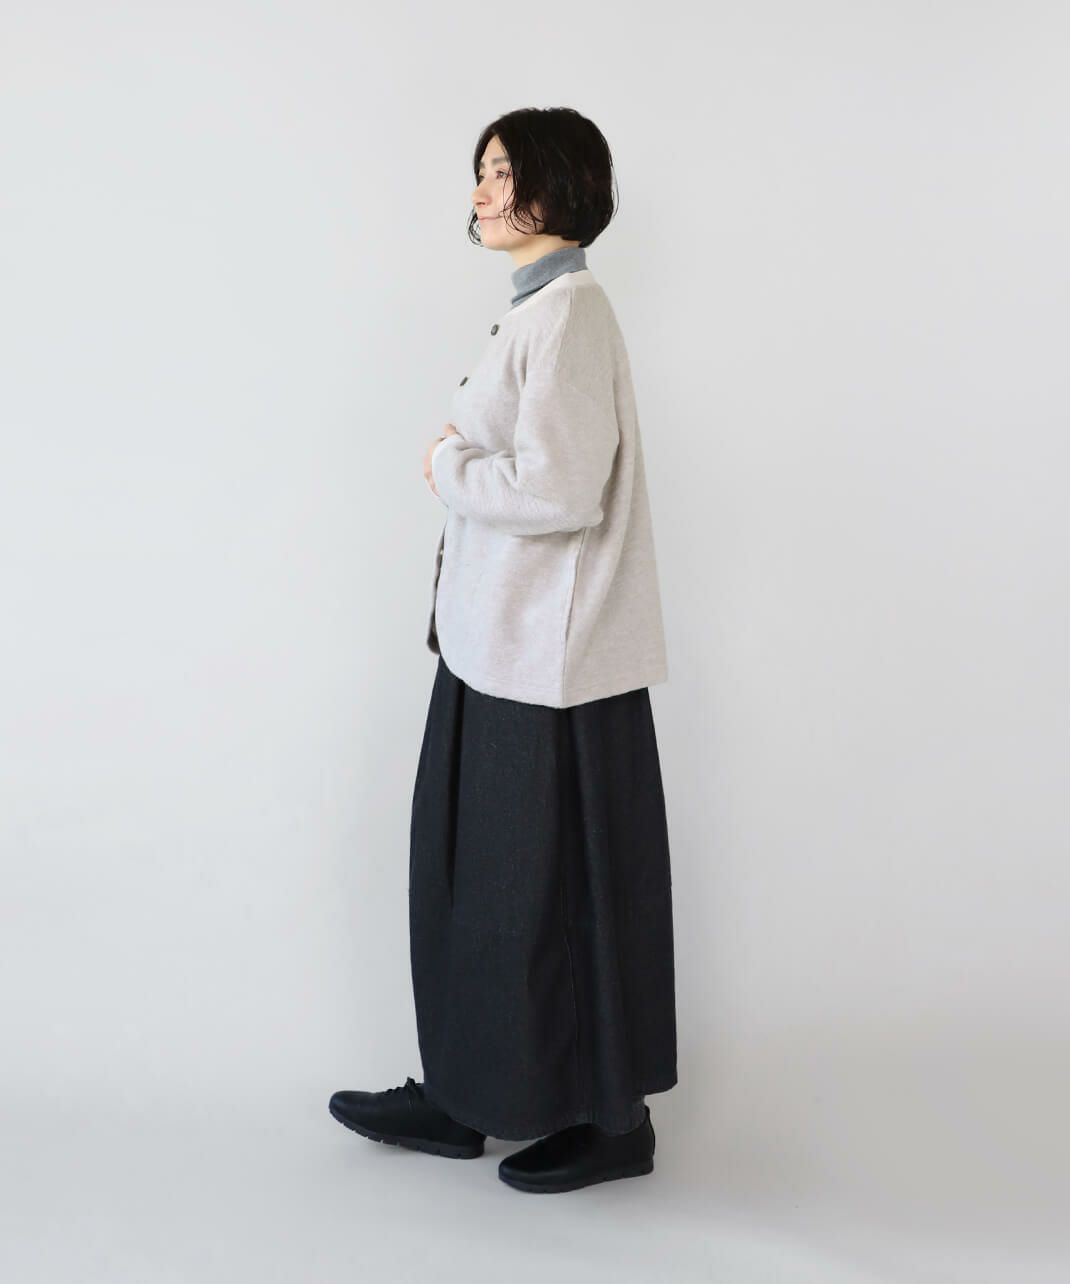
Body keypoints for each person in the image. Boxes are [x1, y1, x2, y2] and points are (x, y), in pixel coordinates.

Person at [329, 107, 678, 1194]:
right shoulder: (537, 309)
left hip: (547, 667)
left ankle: (610, 1122)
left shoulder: (568, 314)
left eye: (502, 173)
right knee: (478, 887)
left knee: (546, 894)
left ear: (558, 187)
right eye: (479, 172)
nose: (480, 193)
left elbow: (560, 492)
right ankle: (466, 1093)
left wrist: (447, 467)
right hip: (499, 650)